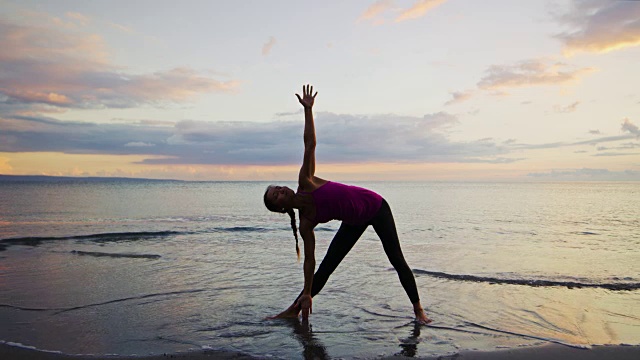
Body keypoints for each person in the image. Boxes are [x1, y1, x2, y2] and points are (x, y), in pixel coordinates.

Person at [264, 84, 432, 325]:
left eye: (277, 188)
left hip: (376, 206)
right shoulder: (306, 223)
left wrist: (308, 111)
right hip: (354, 221)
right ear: (281, 208)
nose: (280, 190)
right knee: (325, 267)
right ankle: (296, 307)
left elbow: (310, 144)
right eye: (275, 196)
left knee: (396, 259)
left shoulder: (306, 181)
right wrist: (308, 292)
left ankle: (418, 311)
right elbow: (309, 261)